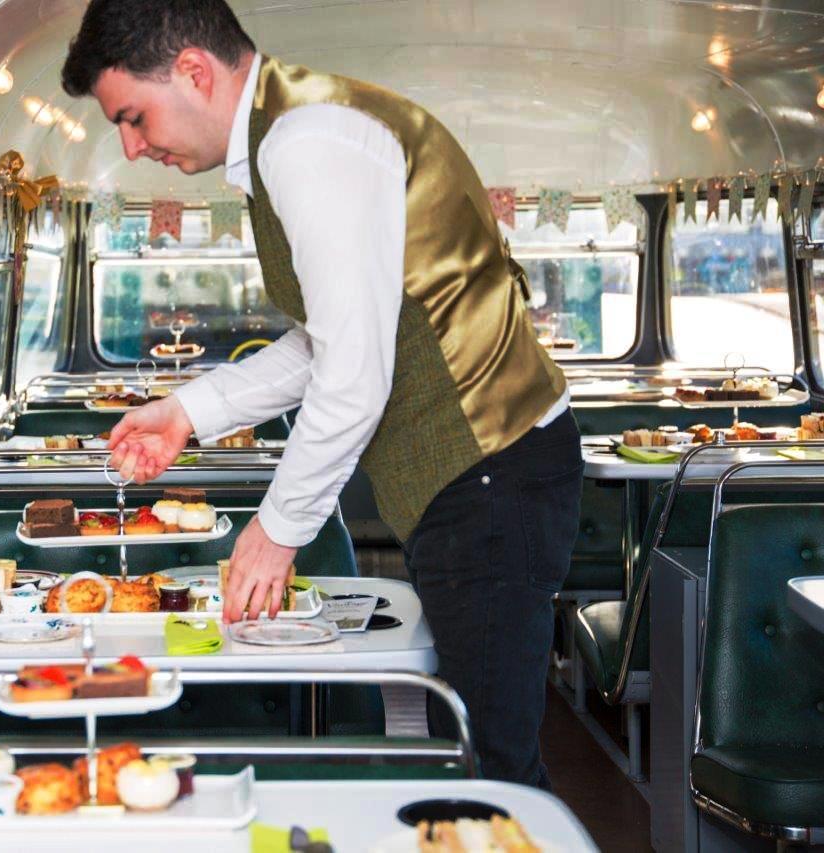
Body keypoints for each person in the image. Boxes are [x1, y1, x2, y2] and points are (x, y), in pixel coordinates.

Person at [61, 0, 583, 788]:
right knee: (469, 748)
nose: (133, 147)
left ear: (193, 72)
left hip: (490, 469)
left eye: (132, 118)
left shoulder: (307, 143)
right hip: (477, 475)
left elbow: (352, 375)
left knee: (492, 765)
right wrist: (186, 413)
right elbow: (328, 342)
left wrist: (276, 531)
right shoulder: (291, 134)